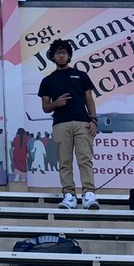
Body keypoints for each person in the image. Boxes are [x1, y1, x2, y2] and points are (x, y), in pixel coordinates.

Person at [38, 39, 99, 211]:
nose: (61, 55)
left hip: (82, 122)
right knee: (64, 161)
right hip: (60, 124)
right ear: (52, 56)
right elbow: (45, 107)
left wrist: (94, 120)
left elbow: (89, 99)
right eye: (58, 52)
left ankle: (89, 194)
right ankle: (69, 195)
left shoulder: (81, 75)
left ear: (69, 55)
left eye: (64, 52)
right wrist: (55, 103)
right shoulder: (48, 80)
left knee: (85, 159)